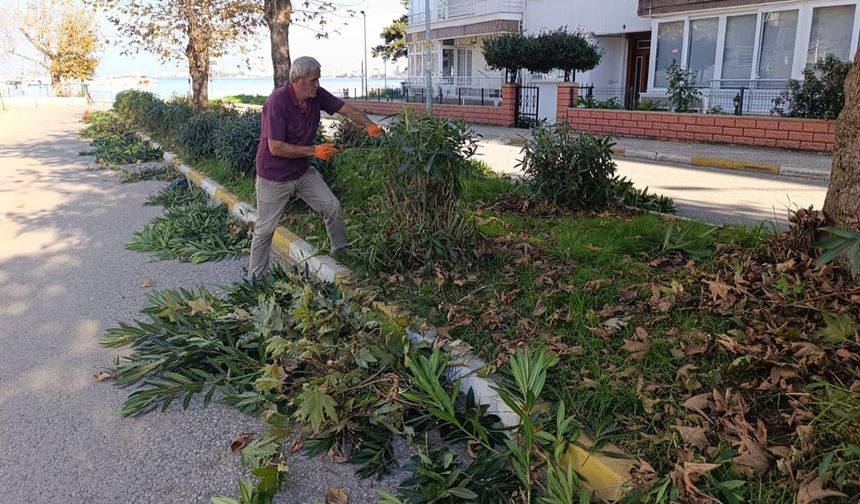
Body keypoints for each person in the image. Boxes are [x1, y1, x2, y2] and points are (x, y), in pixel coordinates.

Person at [248, 56, 383, 278]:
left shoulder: (316, 96)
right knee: (265, 229)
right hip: (274, 176)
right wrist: (315, 151)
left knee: (332, 206)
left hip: (302, 172)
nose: (318, 85)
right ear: (297, 80)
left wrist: (370, 125)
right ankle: (255, 279)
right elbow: (276, 147)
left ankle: (341, 253)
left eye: (318, 79)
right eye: (313, 80)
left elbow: (347, 110)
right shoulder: (277, 102)